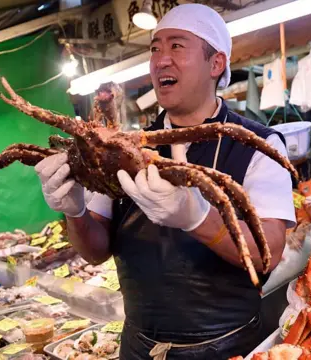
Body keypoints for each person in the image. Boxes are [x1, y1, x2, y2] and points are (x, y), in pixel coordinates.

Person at [33, 4, 295, 359]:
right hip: (138, 346)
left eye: (176, 46)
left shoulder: (257, 144)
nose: (160, 60)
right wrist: (74, 211)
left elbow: (269, 254)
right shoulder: (123, 146)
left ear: (216, 63)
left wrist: (198, 218)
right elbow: (94, 252)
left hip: (228, 347)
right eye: (155, 49)